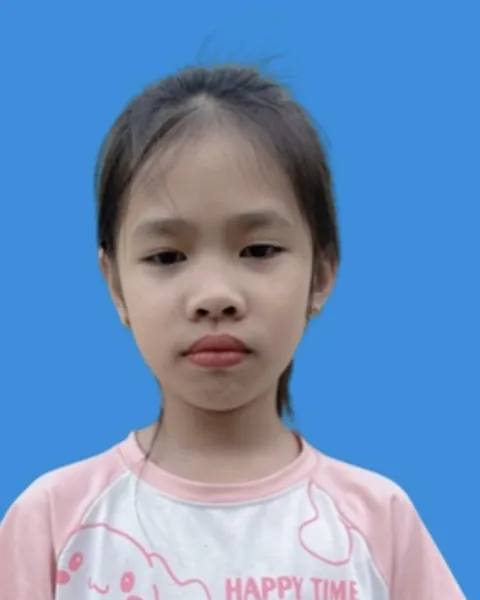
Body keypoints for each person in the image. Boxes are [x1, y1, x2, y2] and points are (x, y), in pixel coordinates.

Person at [0, 64, 464, 600]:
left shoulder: (379, 525)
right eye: (167, 256)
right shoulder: (54, 524)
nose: (215, 295)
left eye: (258, 250)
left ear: (322, 273)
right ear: (116, 284)